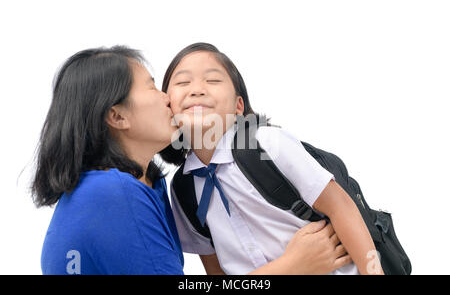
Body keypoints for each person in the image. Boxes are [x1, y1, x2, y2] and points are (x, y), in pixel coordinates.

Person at [32, 45, 352, 275]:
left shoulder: (150, 183)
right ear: (117, 116)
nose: (166, 98)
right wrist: (292, 267)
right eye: (151, 87)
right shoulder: (113, 193)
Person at [160, 43, 382, 275]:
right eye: (183, 82)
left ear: (238, 106)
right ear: (168, 106)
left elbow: (342, 207)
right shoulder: (183, 190)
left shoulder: (267, 143)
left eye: (213, 80)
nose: (197, 89)